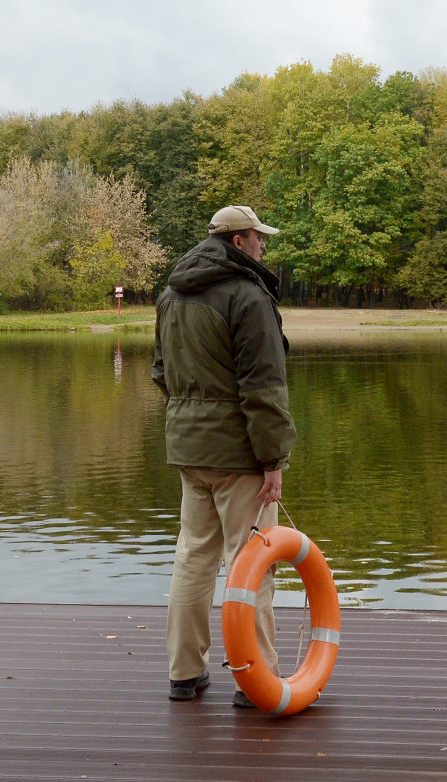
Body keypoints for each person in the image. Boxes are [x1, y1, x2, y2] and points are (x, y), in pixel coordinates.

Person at [151, 205, 297, 708]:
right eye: (259, 238)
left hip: (188, 450)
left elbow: (160, 373)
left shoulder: (171, 294)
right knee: (251, 563)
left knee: (194, 557)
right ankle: (254, 679)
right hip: (238, 456)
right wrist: (273, 460)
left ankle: (184, 674)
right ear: (239, 241)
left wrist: (191, 418)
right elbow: (264, 389)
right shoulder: (247, 296)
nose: (263, 246)